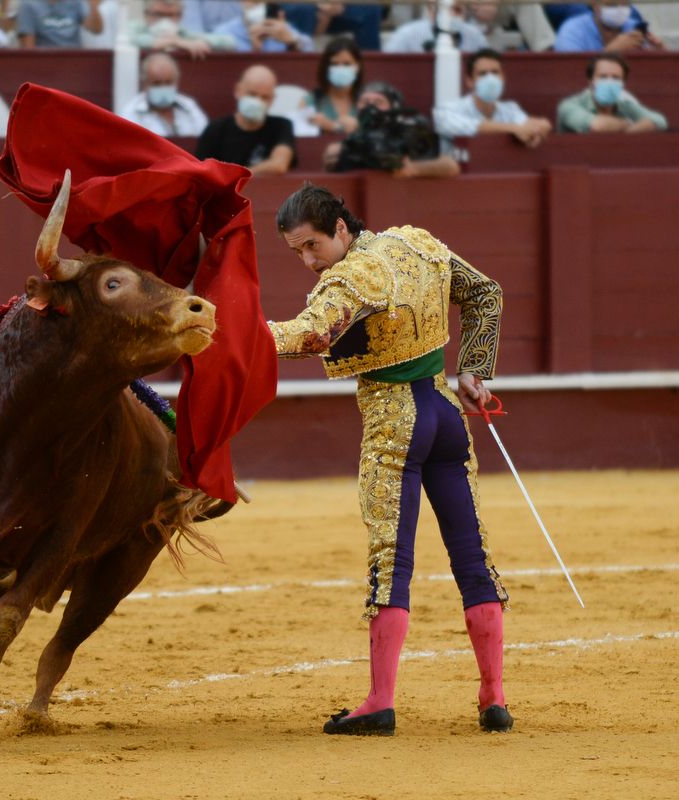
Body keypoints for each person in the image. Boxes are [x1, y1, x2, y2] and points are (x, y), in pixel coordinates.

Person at [266, 183, 512, 737]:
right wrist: (474, 370)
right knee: (472, 557)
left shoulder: (352, 276)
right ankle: (493, 697)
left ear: (342, 229)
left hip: (394, 422)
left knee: (390, 560)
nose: (308, 262)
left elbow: (309, 335)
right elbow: (485, 294)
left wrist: (237, 332)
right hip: (447, 415)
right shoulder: (416, 243)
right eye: (296, 253)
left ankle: (380, 700)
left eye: (312, 247)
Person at [325, 82, 459, 177]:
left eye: (378, 102)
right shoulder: (352, 137)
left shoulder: (403, 133)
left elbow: (450, 166)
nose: (371, 107)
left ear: (393, 107)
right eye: (365, 102)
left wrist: (414, 168)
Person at [433, 48, 552, 148]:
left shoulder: (510, 108)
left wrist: (539, 128)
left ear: (503, 78)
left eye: (495, 73)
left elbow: (532, 125)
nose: (490, 79)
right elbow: (472, 128)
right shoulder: (448, 109)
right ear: (469, 81)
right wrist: (513, 128)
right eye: (482, 74)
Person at [195, 63, 296, 174]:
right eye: (252, 94)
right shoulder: (216, 129)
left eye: (265, 97)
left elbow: (279, 164)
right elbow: (202, 171)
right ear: (238, 90)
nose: (258, 101)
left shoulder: (281, 126)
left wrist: (238, 176)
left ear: (272, 99)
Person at [557, 52, 667, 133]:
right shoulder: (569, 105)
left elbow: (660, 121)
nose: (609, 82)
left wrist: (630, 131)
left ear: (623, 84)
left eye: (616, 78)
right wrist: (627, 123)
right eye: (603, 77)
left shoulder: (625, 106)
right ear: (590, 82)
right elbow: (596, 126)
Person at [118, 51, 209, 137]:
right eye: (157, 83)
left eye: (168, 82)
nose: (163, 88)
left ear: (176, 81)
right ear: (145, 83)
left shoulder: (189, 106)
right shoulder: (131, 113)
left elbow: (205, 139)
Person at [129, 0, 235, 57]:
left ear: (181, 16)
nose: (165, 21)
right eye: (158, 14)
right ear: (146, 14)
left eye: (171, 15)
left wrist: (202, 43)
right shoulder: (137, 27)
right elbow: (131, 39)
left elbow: (229, 42)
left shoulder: (182, 33)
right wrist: (174, 42)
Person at [302, 36, 362, 136]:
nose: (340, 68)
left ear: (358, 66)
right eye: (334, 64)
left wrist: (332, 127)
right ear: (326, 67)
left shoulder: (367, 100)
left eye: (347, 64)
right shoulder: (310, 101)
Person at [554, 0, 664, 51]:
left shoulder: (634, 26)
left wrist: (661, 54)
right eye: (612, 4)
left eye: (625, 4)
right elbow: (570, 73)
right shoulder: (571, 31)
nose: (620, 9)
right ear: (595, 5)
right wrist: (610, 52)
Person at [383, 1, 489, 53]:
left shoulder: (475, 35)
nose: (451, 15)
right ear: (430, 9)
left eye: (457, 10)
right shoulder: (406, 35)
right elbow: (389, 68)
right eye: (445, 10)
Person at [212, 1, 313, 52]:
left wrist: (292, 42)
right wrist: (255, 50)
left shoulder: (281, 28)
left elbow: (310, 48)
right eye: (253, 1)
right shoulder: (223, 32)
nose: (258, 7)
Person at [283, 2, 382, 50]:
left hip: (339, 7)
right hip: (305, 6)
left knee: (371, 8)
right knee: (304, 9)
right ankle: (300, 58)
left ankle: (370, 64)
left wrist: (336, 5)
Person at [16, 0, 103, 46]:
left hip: (74, 61)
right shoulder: (28, 4)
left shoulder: (76, 2)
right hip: (45, 63)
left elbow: (96, 29)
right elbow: (28, 48)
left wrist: (93, 6)